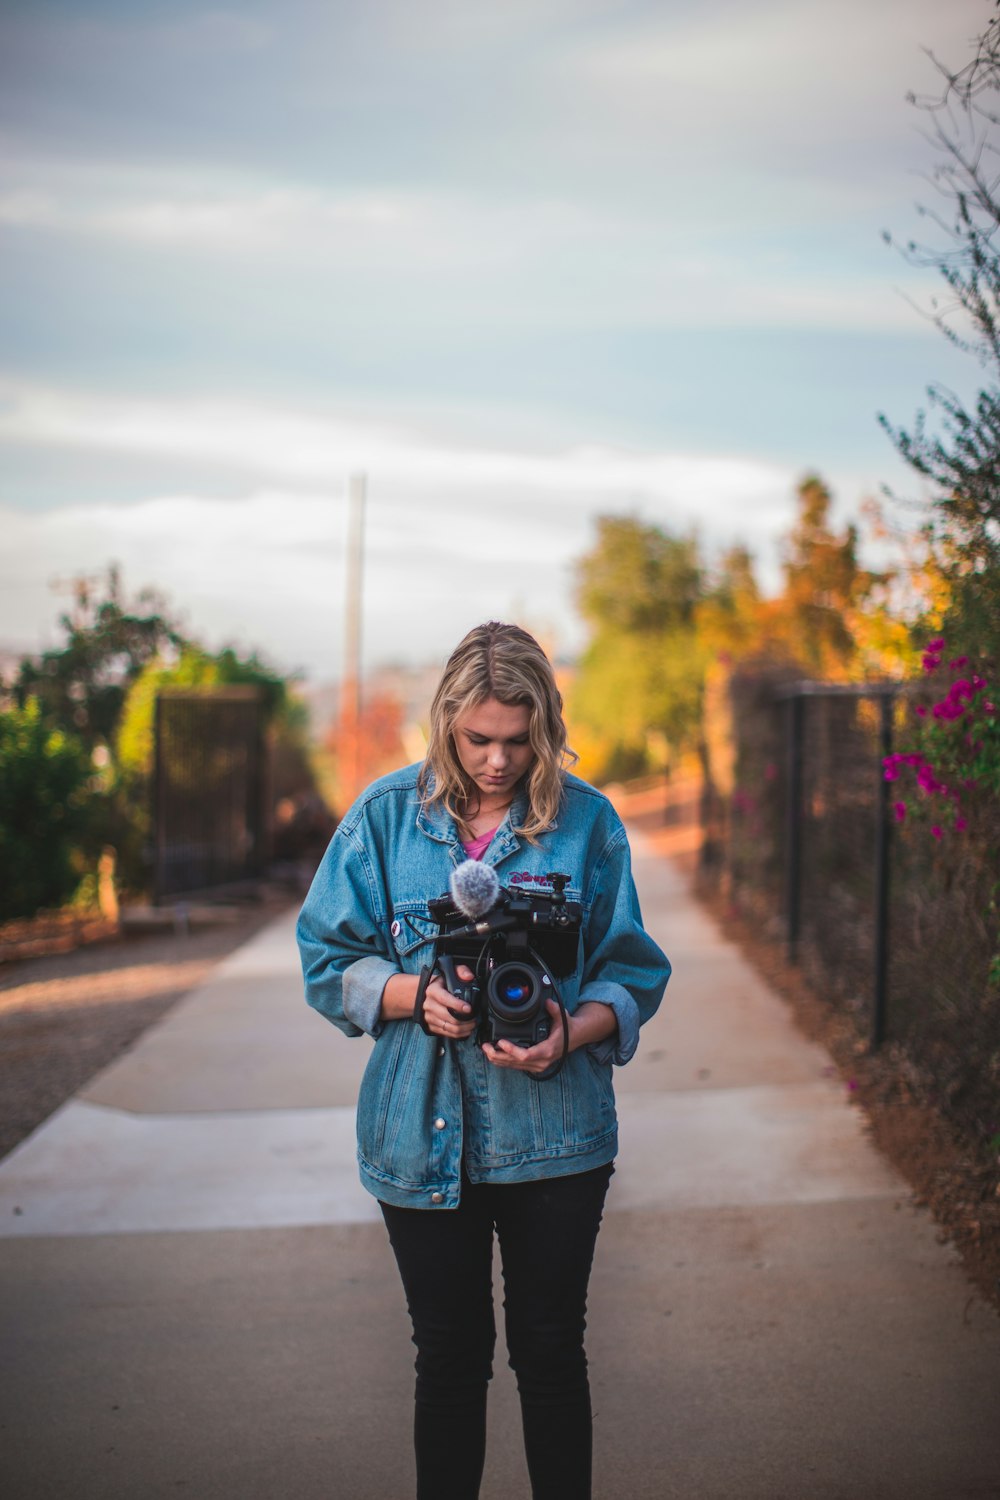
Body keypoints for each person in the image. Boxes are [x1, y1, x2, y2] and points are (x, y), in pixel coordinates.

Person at [297, 621, 670, 1500]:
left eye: (517, 741)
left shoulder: (587, 823)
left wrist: (566, 1033)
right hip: (416, 1137)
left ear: (544, 729)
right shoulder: (385, 820)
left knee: (549, 1353)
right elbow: (324, 956)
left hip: (559, 1134)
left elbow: (632, 967)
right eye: (477, 741)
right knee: (450, 1361)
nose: (498, 763)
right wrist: (408, 996)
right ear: (445, 724)